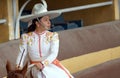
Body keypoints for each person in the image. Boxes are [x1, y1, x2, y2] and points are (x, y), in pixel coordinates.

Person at [16, 0, 74, 78]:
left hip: (50, 65)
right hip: (34, 67)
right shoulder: (26, 37)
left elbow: (53, 53)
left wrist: (43, 64)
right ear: (37, 23)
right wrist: (19, 66)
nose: (49, 22)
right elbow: (22, 53)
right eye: (45, 20)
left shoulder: (53, 36)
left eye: (48, 19)